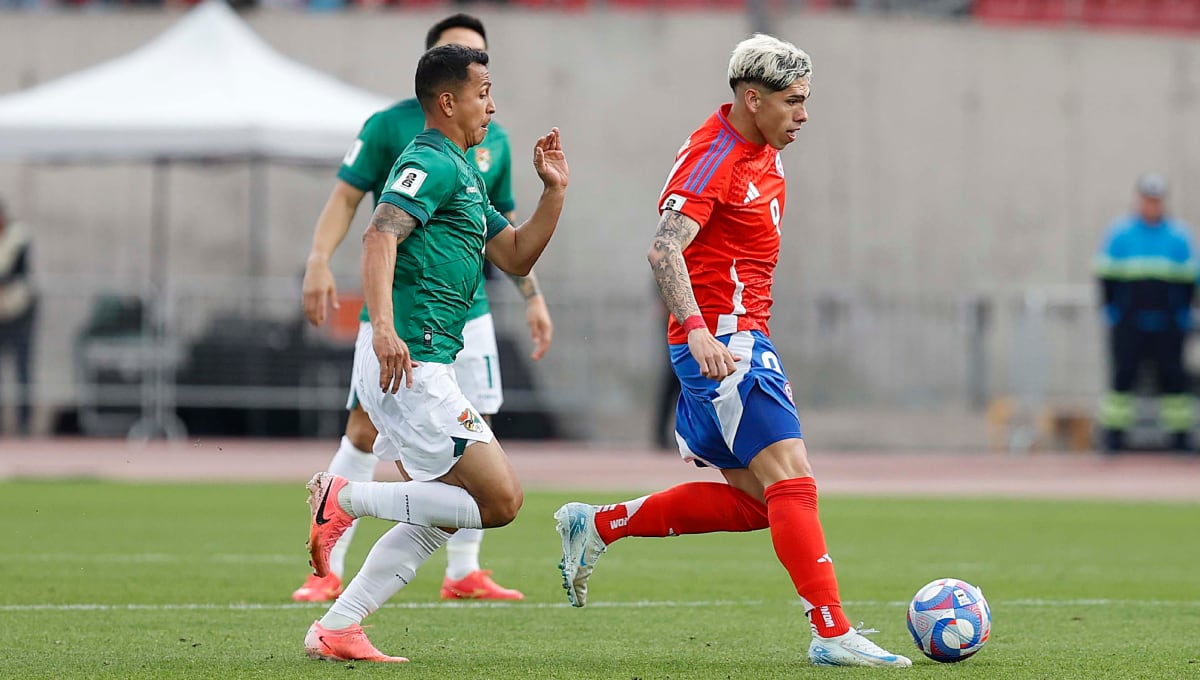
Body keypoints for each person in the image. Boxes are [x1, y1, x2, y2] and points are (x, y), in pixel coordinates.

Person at [553, 34, 911, 668]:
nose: (804, 115)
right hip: (724, 343)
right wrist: (697, 328)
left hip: (740, 338)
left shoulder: (762, 149)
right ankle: (831, 631)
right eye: (793, 102)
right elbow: (664, 248)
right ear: (753, 98)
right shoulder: (715, 155)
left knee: (756, 502)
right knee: (794, 479)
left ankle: (600, 525)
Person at [302, 44, 569, 663]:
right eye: (483, 93)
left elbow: (515, 256)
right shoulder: (426, 158)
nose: (492, 105)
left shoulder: (465, 169)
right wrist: (385, 327)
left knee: (445, 510)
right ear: (448, 101)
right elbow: (378, 233)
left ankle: (340, 627)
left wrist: (552, 193)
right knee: (501, 502)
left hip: (422, 362)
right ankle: (341, 498)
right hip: (410, 360)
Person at [1095, 173, 1197, 453]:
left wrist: (1182, 315)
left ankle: (1180, 437)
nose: (1151, 205)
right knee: (1123, 377)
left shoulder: (1178, 236)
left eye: (1156, 200)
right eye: (1147, 199)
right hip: (1129, 322)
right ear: (1140, 200)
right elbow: (1105, 278)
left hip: (1168, 323)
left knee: (1173, 379)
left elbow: (1190, 282)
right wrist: (1112, 312)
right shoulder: (1120, 234)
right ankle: (1114, 437)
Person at [0, 197, 36, 437]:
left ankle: (24, 424)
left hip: (19, 310)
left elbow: (15, 271)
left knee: (23, 368)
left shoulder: (19, 235)